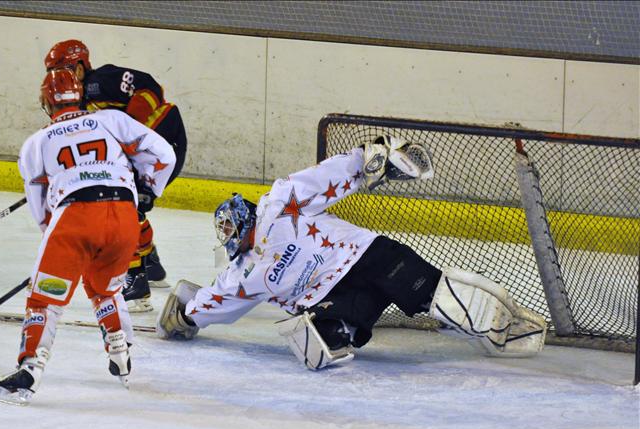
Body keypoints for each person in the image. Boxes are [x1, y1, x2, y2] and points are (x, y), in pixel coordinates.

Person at [156, 137, 547, 370]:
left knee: (433, 293)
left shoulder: (278, 206)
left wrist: (370, 159)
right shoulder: (242, 274)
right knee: (326, 334)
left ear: (244, 216)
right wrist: (187, 316)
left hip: (370, 256)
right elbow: (217, 301)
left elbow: (324, 177)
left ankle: (504, 324)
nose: (227, 235)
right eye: (224, 231)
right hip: (336, 295)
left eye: (228, 226)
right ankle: (339, 329)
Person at [0, 69, 175, 404]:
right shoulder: (111, 120)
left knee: (45, 298)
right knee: (106, 289)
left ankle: (29, 370)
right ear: (79, 96)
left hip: (75, 218)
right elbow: (165, 155)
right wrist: (147, 189)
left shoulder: (36, 143)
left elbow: (41, 210)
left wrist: (60, 245)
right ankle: (120, 353)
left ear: (46, 102)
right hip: (123, 218)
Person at [44, 39, 188, 311]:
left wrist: (130, 126)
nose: (57, 79)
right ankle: (150, 264)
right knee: (125, 205)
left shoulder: (101, 81)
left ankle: (136, 283)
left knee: (123, 207)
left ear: (79, 68)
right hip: (144, 155)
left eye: (62, 71)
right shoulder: (76, 104)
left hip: (162, 143)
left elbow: (150, 88)